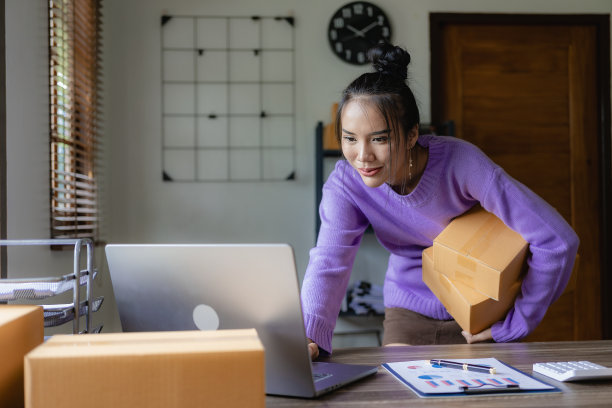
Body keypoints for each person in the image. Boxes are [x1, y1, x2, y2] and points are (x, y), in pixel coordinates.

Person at [302, 43, 579, 360]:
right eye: (350, 138)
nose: (362, 156)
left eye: (379, 138)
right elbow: (328, 261)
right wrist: (310, 336)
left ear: (411, 135)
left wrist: (517, 323)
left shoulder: (462, 163)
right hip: (407, 312)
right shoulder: (346, 183)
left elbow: (557, 240)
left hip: (483, 318)